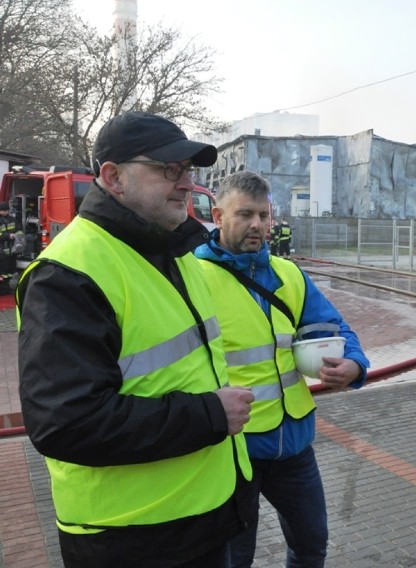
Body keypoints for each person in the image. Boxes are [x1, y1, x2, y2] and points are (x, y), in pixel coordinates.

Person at [16, 111, 256, 568]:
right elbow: (66, 423)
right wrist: (210, 414)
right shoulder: (67, 274)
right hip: (130, 538)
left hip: (203, 517)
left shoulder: (174, 252)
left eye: (188, 171)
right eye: (169, 169)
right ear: (113, 177)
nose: (186, 183)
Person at [194, 171, 369, 568]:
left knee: (311, 545)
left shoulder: (289, 274)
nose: (257, 225)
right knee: (235, 557)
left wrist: (355, 365)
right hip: (234, 449)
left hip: (294, 444)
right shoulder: (193, 277)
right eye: (244, 215)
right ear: (219, 215)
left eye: (263, 215)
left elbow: (335, 327)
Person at [0, 201, 18, 293]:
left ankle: (9, 287)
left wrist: (19, 236)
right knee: (3, 271)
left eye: (7, 210)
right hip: (2, 251)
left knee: (11, 270)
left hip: (12, 250)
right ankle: (3, 288)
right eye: (4, 211)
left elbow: (19, 229)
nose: (6, 212)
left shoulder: (12, 219)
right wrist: (8, 236)